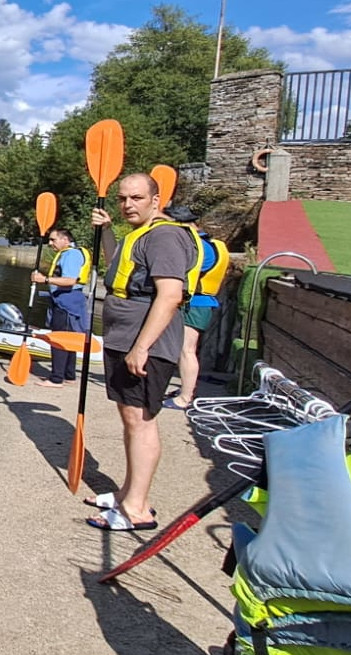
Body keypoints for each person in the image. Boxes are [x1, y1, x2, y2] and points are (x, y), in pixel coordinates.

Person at [85, 173, 202, 532]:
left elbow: (169, 296)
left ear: (156, 199)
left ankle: (136, 508)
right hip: (126, 337)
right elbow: (118, 266)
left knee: (141, 420)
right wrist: (106, 231)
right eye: (122, 199)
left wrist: (141, 348)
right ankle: (127, 493)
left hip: (144, 343)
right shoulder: (142, 234)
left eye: (136, 198)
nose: (127, 205)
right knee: (130, 418)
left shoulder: (165, 236)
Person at [162, 206, 230, 411]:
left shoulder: (197, 247)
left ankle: (185, 397)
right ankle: (186, 390)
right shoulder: (211, 244)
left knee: (186, 350)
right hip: (201, 302)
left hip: (195, 303)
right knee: (185, 350)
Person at [29, 226, 91, 388]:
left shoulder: (71, 255)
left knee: (59, 339)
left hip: (66, 301)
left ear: (65, 240)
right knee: (69, 339)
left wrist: (45, 280)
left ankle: (56, 378)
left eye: (53, 239)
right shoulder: (71, 253)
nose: (50, 243)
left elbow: (70, 280)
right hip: (69, 301)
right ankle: (69, 375)